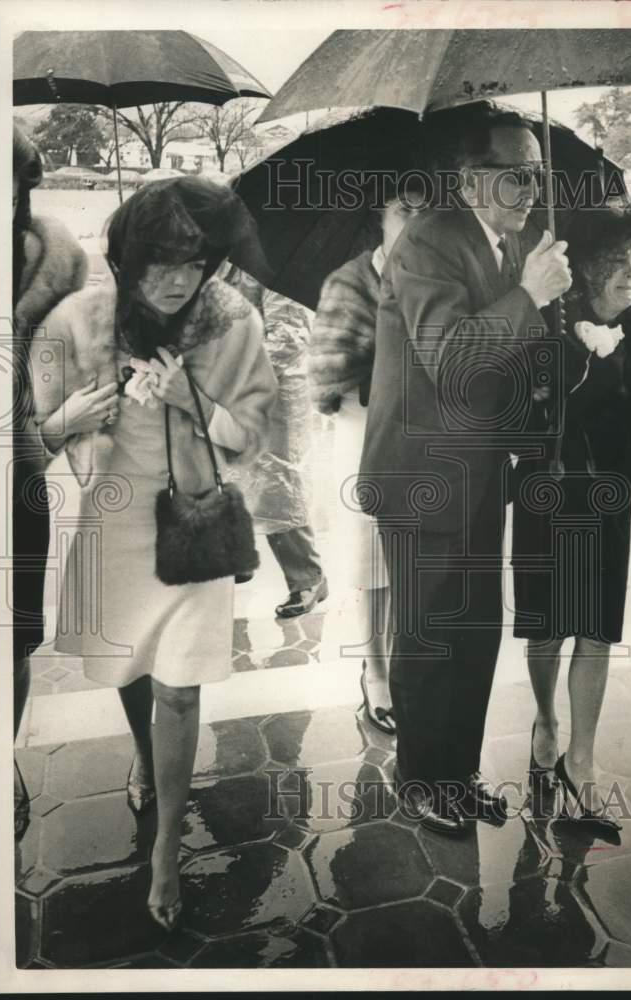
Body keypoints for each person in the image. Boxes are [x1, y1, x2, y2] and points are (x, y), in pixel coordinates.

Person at [30, 177, 277, 928]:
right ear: (128, 257)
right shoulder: (76, 320)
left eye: (196, 262)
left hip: (192, 529)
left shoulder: (233, 324)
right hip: (112, 530)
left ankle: (167, 846)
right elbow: (33, 437)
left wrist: (189, 403)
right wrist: (67, 418)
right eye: (162, 262)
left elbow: (255, 431)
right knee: (134, 671)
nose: (179, 279)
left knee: (181, 688)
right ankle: (145, 752)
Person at [358, 106, 572, 835]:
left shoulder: (511, 246)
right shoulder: (426, 245)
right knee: (427, 635)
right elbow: (450, 362)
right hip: (421, 477)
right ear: (466, 177)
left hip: (480, 471)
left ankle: (458, 772)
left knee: (475, 628)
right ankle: (420, 780)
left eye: (536, 174)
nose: (529, 189)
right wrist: (528, 298)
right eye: (514, 173)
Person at [512, 199, 631, 830]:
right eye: (614, 261)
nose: (630, 272)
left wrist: (629, 389)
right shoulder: (548, 321)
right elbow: (517, 414)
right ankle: (545, 718)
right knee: (545, 624)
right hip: (545, 492)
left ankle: (580, 760)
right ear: (582, 267)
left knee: (596, 626)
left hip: (608, 495)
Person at [309, 188, 423, 734]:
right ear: (379, 214)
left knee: (409, 555)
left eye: (425, 210)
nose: (413, 221)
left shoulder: (439, 276)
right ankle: (374, 671)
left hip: (424, 436)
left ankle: (403, 663)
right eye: (402, 208)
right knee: (367, 556)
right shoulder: (349, 281)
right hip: (363, 433)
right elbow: (325, 378)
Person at [12, 125, 89, 841]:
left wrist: (53, 429)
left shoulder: (55, 256)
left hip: (14, 469)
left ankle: (0, 758)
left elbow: (76, 371)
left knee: (11, 637)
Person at [221, 256, 328, 619]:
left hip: (277, 391)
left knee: (279, 485)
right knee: (231, 472)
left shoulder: (279, 264)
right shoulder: (221, 258)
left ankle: (308, 578)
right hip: (233, 386)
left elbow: (289, 337)